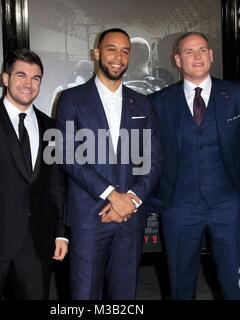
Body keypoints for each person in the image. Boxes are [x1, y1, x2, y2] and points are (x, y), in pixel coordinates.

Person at [149, 32, 240, 300]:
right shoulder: (159, 102)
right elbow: (141, 152)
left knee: (239, 285)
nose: (197, 56)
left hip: (231, 207)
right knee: (179, 289)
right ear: (177, 60)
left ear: (211, 55)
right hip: (179, 209)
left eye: (202, 49)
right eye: (189, 52)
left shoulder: (237, 95)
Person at [56, 28, 162, 299]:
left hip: (131, 217)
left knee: (124, 295)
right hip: (89, 217)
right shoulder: (72, 99)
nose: (119, 57)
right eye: (111, 49)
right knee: (84, 295)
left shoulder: (142, 103)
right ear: (96, 53)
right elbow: (68, 155)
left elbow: (154, 158)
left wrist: (132, 200)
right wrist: (113, 196)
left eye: (125, 51)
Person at [0, 49, 68, 300]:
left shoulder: (51, 127)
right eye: (21, 75)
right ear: (5, 78)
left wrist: (61, 231)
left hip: (38, 244)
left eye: (36, 78)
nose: (28, 84)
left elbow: (56, 185)